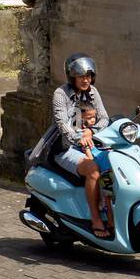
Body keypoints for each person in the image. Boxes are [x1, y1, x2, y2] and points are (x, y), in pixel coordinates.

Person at [51, 54, 111, 238]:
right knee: (93, 170)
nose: (86, 80)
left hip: (90, 143)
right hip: (65, 147)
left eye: (89, 76)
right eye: (81, 76)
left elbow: (104, 118)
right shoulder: (60, 94)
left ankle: (111, 213)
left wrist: (90, 132)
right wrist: (79, 138)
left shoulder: (93, 91)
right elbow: (63, 125)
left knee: (113, 166)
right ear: (72, 77)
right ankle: (95, 219)